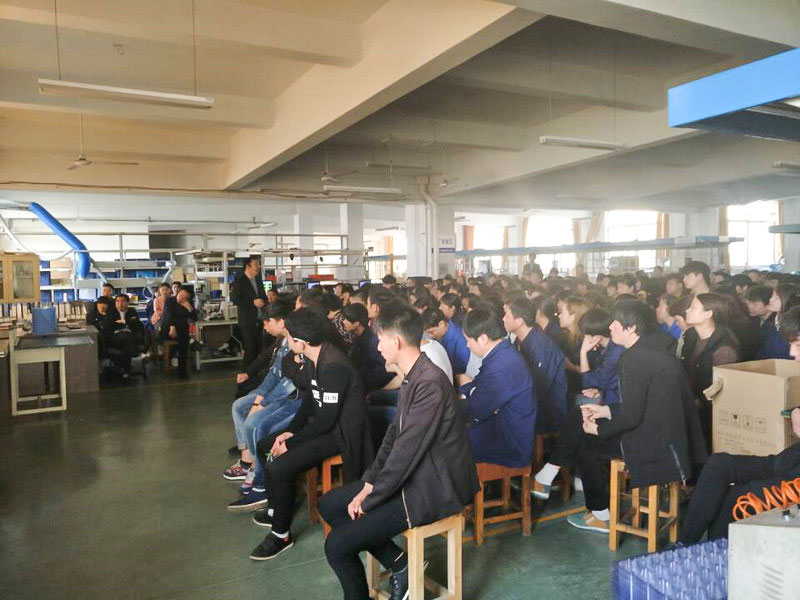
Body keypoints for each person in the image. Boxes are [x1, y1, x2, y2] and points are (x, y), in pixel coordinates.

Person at [319, 303, 478, 600]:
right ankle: (400, 563)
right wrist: (370, 482)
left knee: (337, 546)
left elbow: (406, 452)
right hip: (417, 474)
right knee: (329, 505)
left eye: (380, 339)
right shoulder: (413, 373)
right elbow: (394, 436)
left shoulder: (429, 382)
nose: (378, 347)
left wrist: (371, 499)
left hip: (434, 487)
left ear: (396, 341)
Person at [569, 300, 706, 534]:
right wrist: (607, 411)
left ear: (631, 328)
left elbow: (632, 416)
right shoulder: (655, 347)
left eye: (615, 322)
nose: (610, 327)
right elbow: (647, 404)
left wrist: (599, 429)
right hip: (673, 439)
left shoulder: (634, 359)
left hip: (656, 447)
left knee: (585, 446)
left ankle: (601, 514)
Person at [249, 308, 372, 560]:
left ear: (300, 343)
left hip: (341, 434)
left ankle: (281, 535)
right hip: (324, 425)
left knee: (279, 467)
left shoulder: (334, 366)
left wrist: (292, 441)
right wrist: (289, 432)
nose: (286, 342)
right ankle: (275, 509)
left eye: (288, 338)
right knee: (265, 445)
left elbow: (327, 419)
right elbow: (310, 402)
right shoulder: (314, 357)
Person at [678, 306, 800, 543]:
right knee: (720, 463)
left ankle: (717, 552)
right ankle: (685, 545)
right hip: (790, 460)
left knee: (737, 496)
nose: (791, 352)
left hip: (795, 478)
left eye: (797, 344)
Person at [226, 300, 302, 505]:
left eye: (267, 322)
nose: (265, 327)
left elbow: (289, 384)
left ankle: (258, 475)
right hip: (281, 394)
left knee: (255, 423)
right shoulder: (283, 341)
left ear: (281, 322)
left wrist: (263, 403)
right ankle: (249, 462)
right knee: (241, 406)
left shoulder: (298, 343)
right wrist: (259, 398)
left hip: (291, 399)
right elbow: (273, 374)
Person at [456, 307, 536, 468]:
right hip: (501, 424)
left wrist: (449, 403)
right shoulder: (501, 351)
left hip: (510, 441)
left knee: (449, 440)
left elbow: (477, 410)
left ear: (483, 338)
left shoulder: (501, 364)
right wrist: (467, 393)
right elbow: (479, 385)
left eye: (468, 340)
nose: (467, 345)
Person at [681, 293, 740, 452]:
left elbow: (720, 389)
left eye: (693, 307)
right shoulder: (691, 335)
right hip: (691, 405)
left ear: (708, 314)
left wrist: (693, 405)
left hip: (709, 415)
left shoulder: (724, 347)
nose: (687, 310)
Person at [503, 297, 567, 433]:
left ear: (519, 321)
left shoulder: (540, 345)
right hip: (530, 401)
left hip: (547, 410)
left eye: (506, 316)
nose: (503, 319)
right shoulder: (520, 340)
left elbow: (539, 387)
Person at [342, 303, 395, 394]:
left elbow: (382, 370)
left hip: (373, 388)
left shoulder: (372, 342)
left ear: (356, 323)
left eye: (346, 319)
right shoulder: (357, 337)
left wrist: (363, 383)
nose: (343, 322)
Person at [578, 308, 624, 406]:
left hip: (614, 402)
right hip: (607, 394)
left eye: (585, 335)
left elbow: (588, 384)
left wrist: (583, 353)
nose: (583, 339)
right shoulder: (607, 347)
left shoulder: (614, 354)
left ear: (597, 337)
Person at [230, 256, 268, 369]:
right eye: (256, 264)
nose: (258, 267)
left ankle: (255, 372)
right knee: (250, 349)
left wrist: (264, 302)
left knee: (259, 348)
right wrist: (252, 302)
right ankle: (246, 373)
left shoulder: (258, 280)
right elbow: (235, 299)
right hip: (247, 321)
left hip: (259, 320)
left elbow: (263, 296)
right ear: (248, 266)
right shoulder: (240, 281)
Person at [103, 293, 145, 378]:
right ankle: (137, 356)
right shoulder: (111, 312)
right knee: (127, 336)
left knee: (127, 337)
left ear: (127, 303)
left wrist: (122, 323)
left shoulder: (132, 311)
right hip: (115, 337)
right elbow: (108, 326)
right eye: (117, 301)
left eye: (123, 301)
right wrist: (126, 323)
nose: (120, 303)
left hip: (129, 337)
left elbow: (138, 325)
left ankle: (125, 370)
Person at [161, 286, 198, 379]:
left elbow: (195, 318)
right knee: (183, 336)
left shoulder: (188, 303)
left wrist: (189, 308)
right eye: (182, 294)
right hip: (169, 328)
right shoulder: (170, 301)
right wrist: (172, 327)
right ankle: (192, 342)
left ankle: (182, 370)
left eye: (185, 297)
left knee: (183, 335)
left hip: (182, 329)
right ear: (178, 292)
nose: (182, 298)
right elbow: (168, 315)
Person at [422, 307, 470, 375]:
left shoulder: (460, 338)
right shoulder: (441, 335)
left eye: (432, 332)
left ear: (442, 324)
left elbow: (464, 366)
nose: (430, 336)